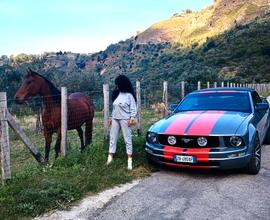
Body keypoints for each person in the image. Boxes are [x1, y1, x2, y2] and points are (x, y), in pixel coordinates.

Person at [106, 75, 137, 170]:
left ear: (122, 84)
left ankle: (129, 160)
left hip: (125, 120)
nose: (116, 86)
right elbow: (114, 108)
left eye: (117, 84)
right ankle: (110, 158)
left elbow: (133, 109)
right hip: (115, 119)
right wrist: (111, 117)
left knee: (127, 139)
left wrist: (132, 118)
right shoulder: (116, 94)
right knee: (112, 138)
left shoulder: (129, 96)